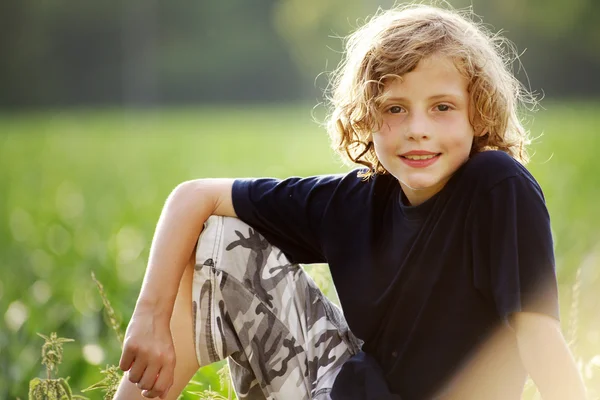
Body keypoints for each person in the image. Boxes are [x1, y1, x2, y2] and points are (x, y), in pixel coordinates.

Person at [114, 3, 588, 400]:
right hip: (353, 389)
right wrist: (149, 317)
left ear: (477, 115)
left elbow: (538, 335)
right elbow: (194, 197)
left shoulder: (496, 185)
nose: (417, 127)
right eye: (394, 109)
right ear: (366, 117)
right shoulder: (357, 198)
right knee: (221, 240)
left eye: (441, 107)